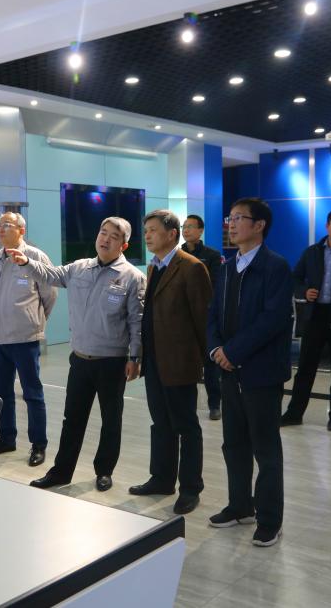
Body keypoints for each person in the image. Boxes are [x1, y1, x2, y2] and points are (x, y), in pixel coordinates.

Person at [11, 218, 146, 492]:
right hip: (80, 359)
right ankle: (61, 472)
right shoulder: (79, 268)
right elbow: (50, 274)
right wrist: (26, 262)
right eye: (103, 233)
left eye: (114, 236)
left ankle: (104, 471)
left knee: (111, 420)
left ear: (124, 245)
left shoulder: (132, 277)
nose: (105, 239)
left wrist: (135, 358)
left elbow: (137, 321)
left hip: (112, 362)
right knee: (72, 419)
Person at [206, 198, 293, 548]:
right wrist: (216, 349)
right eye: (230, 217)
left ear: (259, 225)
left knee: (265, 449)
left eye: (239, 218)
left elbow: (273, 320)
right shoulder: (227, 267)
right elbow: (213, 314)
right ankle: (240, 505)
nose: (231, 223)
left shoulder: (275, 266)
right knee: (234, 444)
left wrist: (233, 352)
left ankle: (270, 519)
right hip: (229, 372)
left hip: (262, 373)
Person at [129, 209, 211, 515]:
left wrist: (204, 363)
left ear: (171, 234)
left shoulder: (192, 267)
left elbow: (203, 320)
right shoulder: (154, 266)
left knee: (186, 426)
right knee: (160, 423)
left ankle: (190, 488)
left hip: (180, 362)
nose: (147, 235)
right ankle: (162, 479)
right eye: (146, 230)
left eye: (152, 230)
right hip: (154, 362)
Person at [0, 212, 57, 466]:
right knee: (2, 393)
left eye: (7, 225)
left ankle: (38, 444)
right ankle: (6, 438)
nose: (1, 229)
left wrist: (34, 320)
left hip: (25, 338)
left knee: (32, 394)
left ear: (21, 230)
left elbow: (49, 295)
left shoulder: (36, 257)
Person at [281, 208, 331, 432]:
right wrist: (304, 292)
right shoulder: (312, 252)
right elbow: (295, 278)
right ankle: (294, 413)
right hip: (315, 316)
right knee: (306, 368)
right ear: (327, 226)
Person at [181, 215, 224, 421]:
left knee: (210, 365)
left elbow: (215, 285)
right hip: (182, 316)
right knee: (185, 363)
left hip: (205, 316)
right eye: (184, 226)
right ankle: (186, 405)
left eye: (190, 227)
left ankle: (215, 404)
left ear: (200, 230)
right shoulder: (177, 254)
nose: (186, 230)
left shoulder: (212, 255)